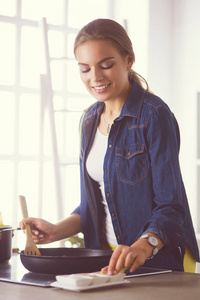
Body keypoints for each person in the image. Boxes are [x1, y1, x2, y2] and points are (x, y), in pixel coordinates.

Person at [20, 18, 199, 274]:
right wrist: (57, 230)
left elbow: (171, 205)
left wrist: (143, 245)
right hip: (104, 260)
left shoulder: (154, 115)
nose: (95, 77)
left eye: (105, 65)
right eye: (85, 69)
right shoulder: (89, 120)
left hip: (157, 261)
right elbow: (99, 201)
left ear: (128, 60)